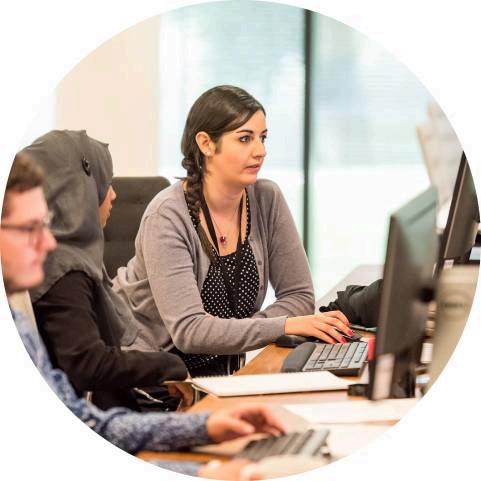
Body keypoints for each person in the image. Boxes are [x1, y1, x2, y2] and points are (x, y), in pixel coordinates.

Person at [1, 152, 286, 479]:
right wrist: (202, 472)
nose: (48, 243)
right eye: (30, 228)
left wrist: (205, 428)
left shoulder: (20, 327)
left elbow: (92, 425)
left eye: (45, 224)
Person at [114, 85, 353, 376]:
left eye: (263, 138)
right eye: (244, 138)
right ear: (206, 144)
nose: (260, 151)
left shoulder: (266, 198)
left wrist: (242, 330)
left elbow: (299, 296)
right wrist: (283, 325)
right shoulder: (167, 216)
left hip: (222, 374)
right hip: (153, 377)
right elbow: (190, 331)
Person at [22, 130, 189, 411]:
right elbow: (88, 365)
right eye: (105, 183)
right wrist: (170, 366)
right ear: (78, 191)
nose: (113, 194)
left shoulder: (67, 258)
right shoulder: (64, 270)